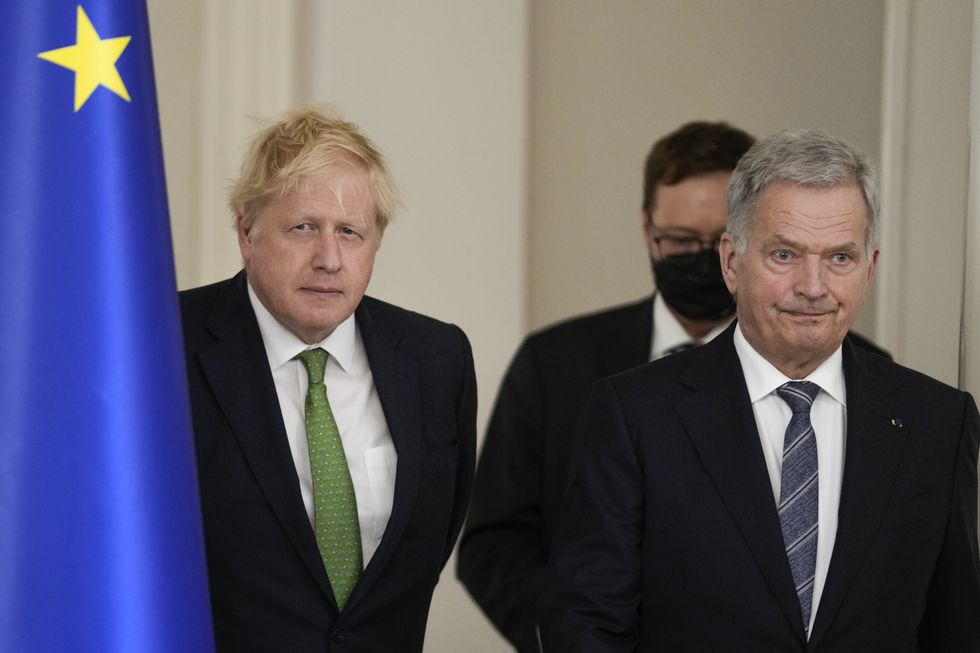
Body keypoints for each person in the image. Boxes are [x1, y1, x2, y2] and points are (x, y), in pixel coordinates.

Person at [537, 130, 980, 651]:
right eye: (785, 255)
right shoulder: (636, 414)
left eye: (840, 257)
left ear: (870, 268)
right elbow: (586, 625)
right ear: (731, 262)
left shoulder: (938, 422)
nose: (813, 287)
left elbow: (957, 627)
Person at [457, 121, 891, 652]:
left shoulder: (873, 377)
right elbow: (494, 541)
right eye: (681, 241)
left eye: (715, 242)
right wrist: (580, 631)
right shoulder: (558, 363)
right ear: (647, 229)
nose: (703, 261)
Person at [180, 107, 476, 652]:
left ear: (376, 243)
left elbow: (426, 548)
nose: (330, 259)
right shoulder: (164, 348)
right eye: (303, 228)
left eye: (350, 232)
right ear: (247, 233)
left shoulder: (436, 360)